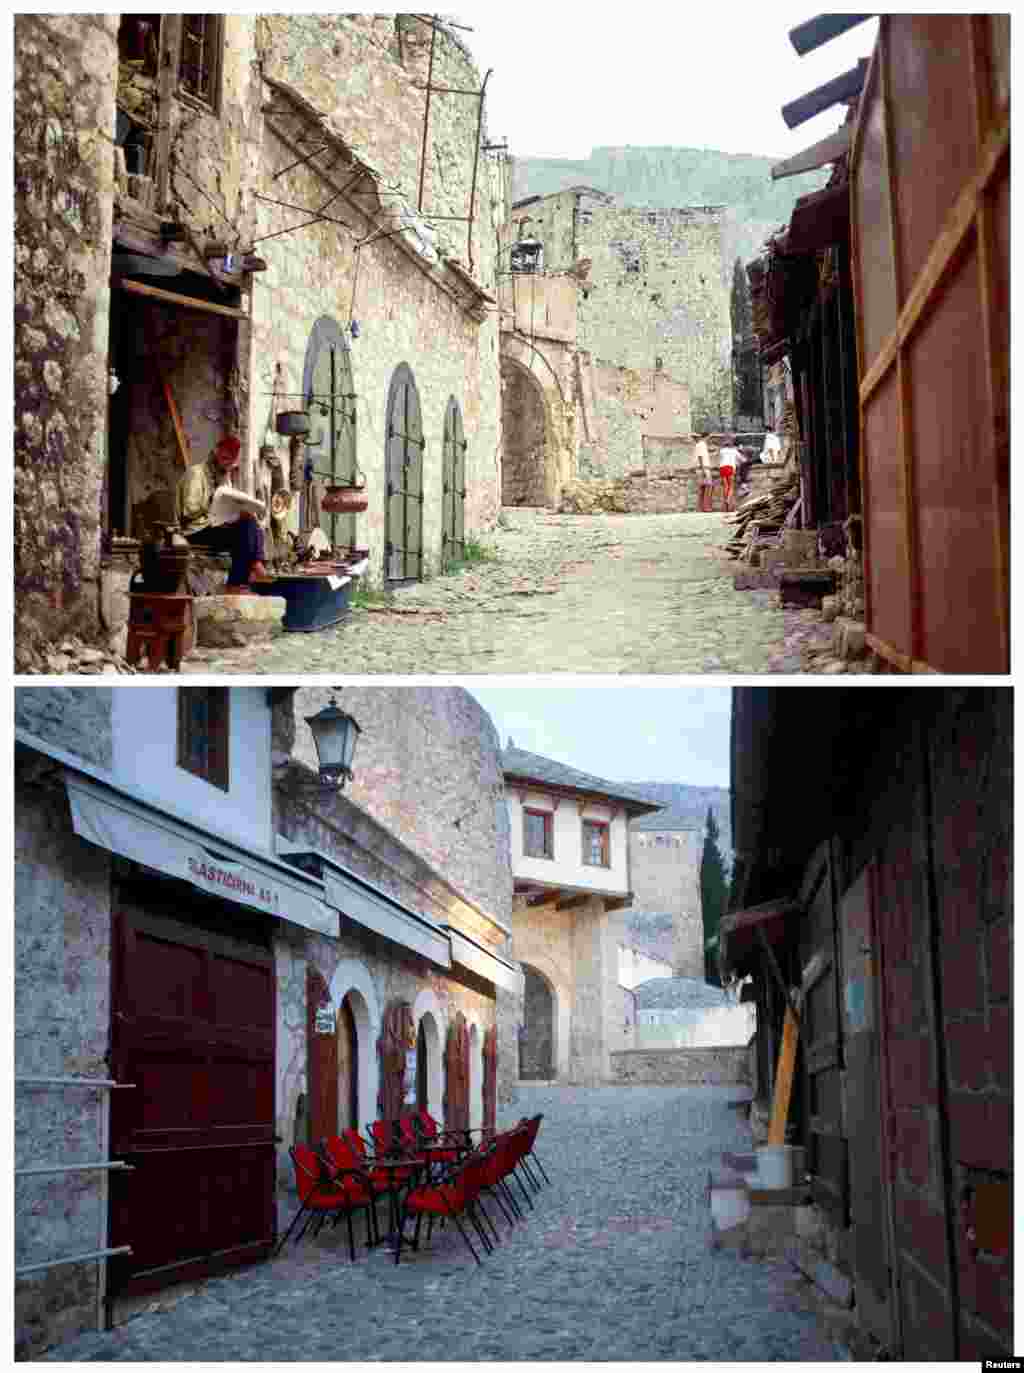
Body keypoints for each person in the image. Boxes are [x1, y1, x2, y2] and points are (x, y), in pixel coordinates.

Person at [175, 434, 270, 593]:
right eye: (224, 459)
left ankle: (255, 565)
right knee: (242, 530)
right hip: (194, 530)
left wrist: (235, 512)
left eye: (230, 462)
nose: (227, 465)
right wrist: (213, 502)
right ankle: (237, 582)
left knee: (251, 522)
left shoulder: (223, 477)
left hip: (214, 526)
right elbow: (188, 511)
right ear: (215, 453)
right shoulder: (196, 474)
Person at [717, 434, 742, 512]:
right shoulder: (734, 451)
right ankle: (728, 500)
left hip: (722, 468)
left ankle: (726, 503)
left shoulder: (722, 450)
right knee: (731, 486)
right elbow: (742, 459)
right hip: (730, 467)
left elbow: (720, 459)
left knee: (725, 486)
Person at [694, 432, 713, 512]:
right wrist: (703, 470)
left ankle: (700, 507)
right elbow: (700, 457)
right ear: (706, 437)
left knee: (702, 488)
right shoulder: (702, 445)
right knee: (708, 487)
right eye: (709, 438)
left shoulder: (698, 445)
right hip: (703, 468)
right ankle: (706, 507)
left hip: (700, 468)